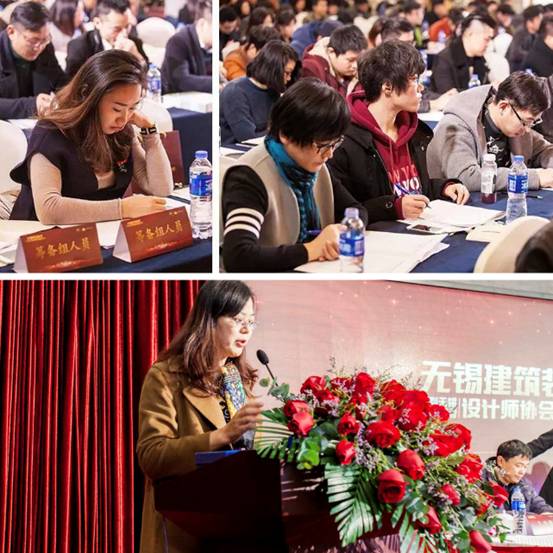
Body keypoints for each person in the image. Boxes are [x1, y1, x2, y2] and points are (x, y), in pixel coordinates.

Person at [137, 280, 264, 553]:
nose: (246, 329)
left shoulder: (238, 382)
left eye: (251, 321)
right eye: (238, 319)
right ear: (210, 320)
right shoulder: (166, 377)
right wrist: (222, 435)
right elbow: (151, 455)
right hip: (183, 533)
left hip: (236, 533)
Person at [221, 78, 368, 272]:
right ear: (285, 135)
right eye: (322, 145)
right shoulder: (249, 175)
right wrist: (312, 249)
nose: (329, 154)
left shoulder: (315, 167)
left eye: (335, 143)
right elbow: (238, 256)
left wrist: (342, 232)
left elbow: (355, 210)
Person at [10, 50, 172, 223]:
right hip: (38, 233)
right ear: (87, 95)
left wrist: (149, 131)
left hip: (100, 233)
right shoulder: (50, 133)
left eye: (132, 108)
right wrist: (123, 208)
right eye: (117, 109)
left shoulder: (122, 132)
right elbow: (48, 209)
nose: (124, 119)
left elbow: (160, 189)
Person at [327, 41, 468, 223]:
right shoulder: (344, 140)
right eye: (414, 79)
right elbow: (343, 211)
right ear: (387, 87)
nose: (421, 88)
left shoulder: (413, 131)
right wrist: (392, 208)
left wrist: (443, 187)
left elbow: (415, 189)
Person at [427, 71, 553, 192]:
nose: (527, 129)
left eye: (533, 123)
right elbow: (466, 177)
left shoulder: (516, 125)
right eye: (525, 122)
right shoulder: (457, 124)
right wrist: (534, 177)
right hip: (452, 203)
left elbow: (544, 151)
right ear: (503, 107)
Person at [220, 40, 298, 145]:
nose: (289, 78)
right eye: (287, 73)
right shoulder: (235, 92)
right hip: (237, 150)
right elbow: (247, 138)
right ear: (274, 70)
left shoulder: (273, 90)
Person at [0, 2, 66, 119]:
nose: (39, 47)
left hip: (35, 122)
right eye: (33, 40)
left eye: (45, 39)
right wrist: (32, 105)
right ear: (11, 32)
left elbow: (59, 79)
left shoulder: (45, 47)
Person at [65, 0, 146, 79]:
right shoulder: (80, 47)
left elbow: (149, 76)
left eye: (127, 27)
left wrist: (137, 58)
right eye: (117, 29)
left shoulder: (133, 42)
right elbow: (72, 83)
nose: (124, 34)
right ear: (97, 23)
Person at [430, 13, 496, 94]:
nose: (488, 44)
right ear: (470, 34)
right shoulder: (444, 59)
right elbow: (448, 96)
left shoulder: (479, 60)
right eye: (486, 39)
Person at [482, 440, 553, 514]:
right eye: (518, 465)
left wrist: (547, 514)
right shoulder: (483, 482)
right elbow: (497, 516)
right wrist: (532, 516)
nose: (522, 472)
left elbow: (540, 505)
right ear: (501, 461)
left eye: (525, 467)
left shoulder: (524, 484)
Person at [301, 23, 367, 97]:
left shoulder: (353, 70)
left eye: (358, 60)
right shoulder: (312, 68)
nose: (355, 66)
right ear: (331, 52)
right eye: (350, 60)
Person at [161, 0, 212, 93]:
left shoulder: (210, 47)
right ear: (202, 24)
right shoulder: (178, 41)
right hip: (178, 98)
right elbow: (181, 81)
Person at [506, 5, 544, 72]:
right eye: (538, 19)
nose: (541, 22)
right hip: (516, 71)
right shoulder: (520, 33)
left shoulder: (536, 34)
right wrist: (534, 55)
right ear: (529, 21)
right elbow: (515, 54)